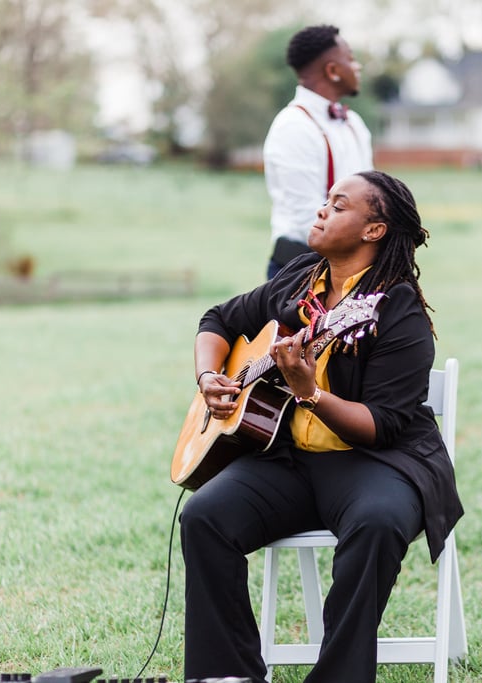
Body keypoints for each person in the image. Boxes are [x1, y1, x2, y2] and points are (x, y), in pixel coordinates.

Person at [180, 170, 464, 683]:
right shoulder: (300, 277)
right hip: (290, 461)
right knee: (204, 518)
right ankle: (232, 675)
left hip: (379, 465)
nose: (321, 211)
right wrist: (210, 377)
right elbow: (218, 319)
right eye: (326, 202)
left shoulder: (395, 310)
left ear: (373, 230)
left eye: (338, 205)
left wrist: (309, 392)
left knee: (377, 524)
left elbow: (379, 426)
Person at [262, 24, 374, 279]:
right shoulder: (293, 126)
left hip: (352, 267)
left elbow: (372, 197)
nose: (357, 67)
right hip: (299, 271)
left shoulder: (353, 123)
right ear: (332, 70)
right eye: (351, 59)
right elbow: (308, 219)